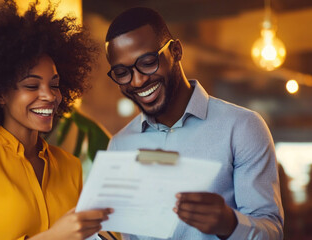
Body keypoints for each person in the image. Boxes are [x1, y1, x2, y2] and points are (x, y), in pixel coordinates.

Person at [104, 7, 283, 240]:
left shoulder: (242, 127)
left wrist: (229, 223)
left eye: (148, 62)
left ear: (176, 51)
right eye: (122, 72)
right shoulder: (119, 146)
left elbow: (273, 232)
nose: (138, 80)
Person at [0, 1, 112, 239]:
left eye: (54, 85)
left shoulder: (70, 166)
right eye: (32, 85)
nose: (49, 96)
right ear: (0, 93)